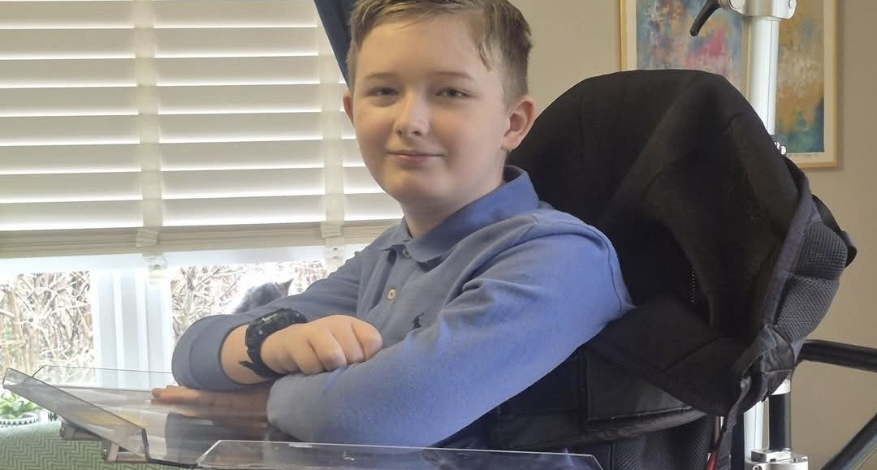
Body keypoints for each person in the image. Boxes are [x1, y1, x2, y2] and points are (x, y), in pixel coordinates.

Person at [153, 0, 633, 448]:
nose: (410, 121)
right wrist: (272, 346)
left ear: (512, 123)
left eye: (450, 92)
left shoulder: (562, 259)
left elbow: (365, 416)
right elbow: (193, 354)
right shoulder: (392, 252)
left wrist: (265, 400)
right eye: (383, 91)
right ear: (352, 111)